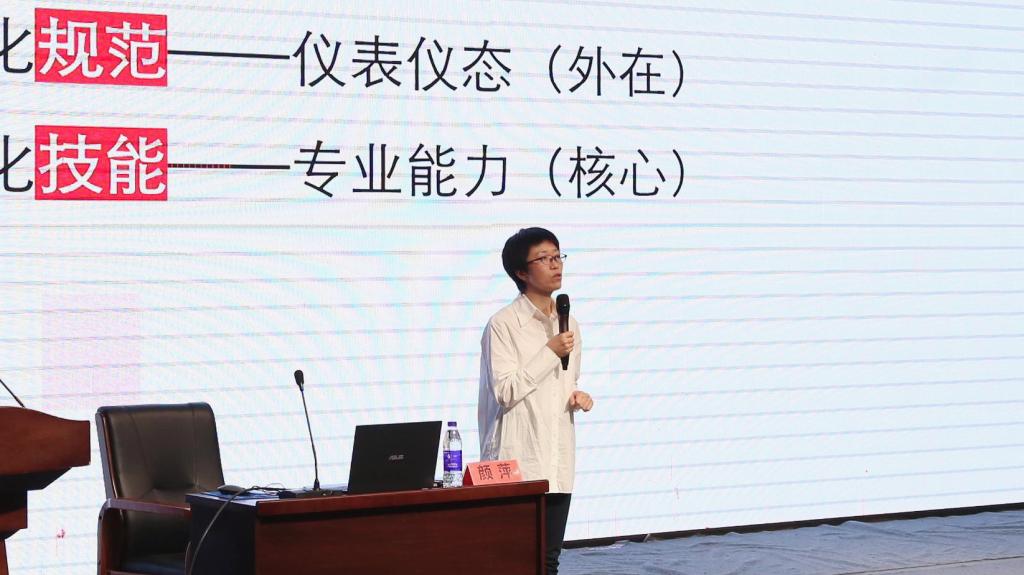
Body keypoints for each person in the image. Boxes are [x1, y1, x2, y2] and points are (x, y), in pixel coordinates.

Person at [478, 227, 595, 575]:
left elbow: (565, 380)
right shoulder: (503, 325)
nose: (556, 264)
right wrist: (549, 351)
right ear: (521, 272)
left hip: (557, 457)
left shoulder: (569, 323)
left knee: (548, 560)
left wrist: (577, 395)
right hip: (518, 459)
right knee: (512, 561)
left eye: (558, 256)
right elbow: (505, 391)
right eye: (544, 259)